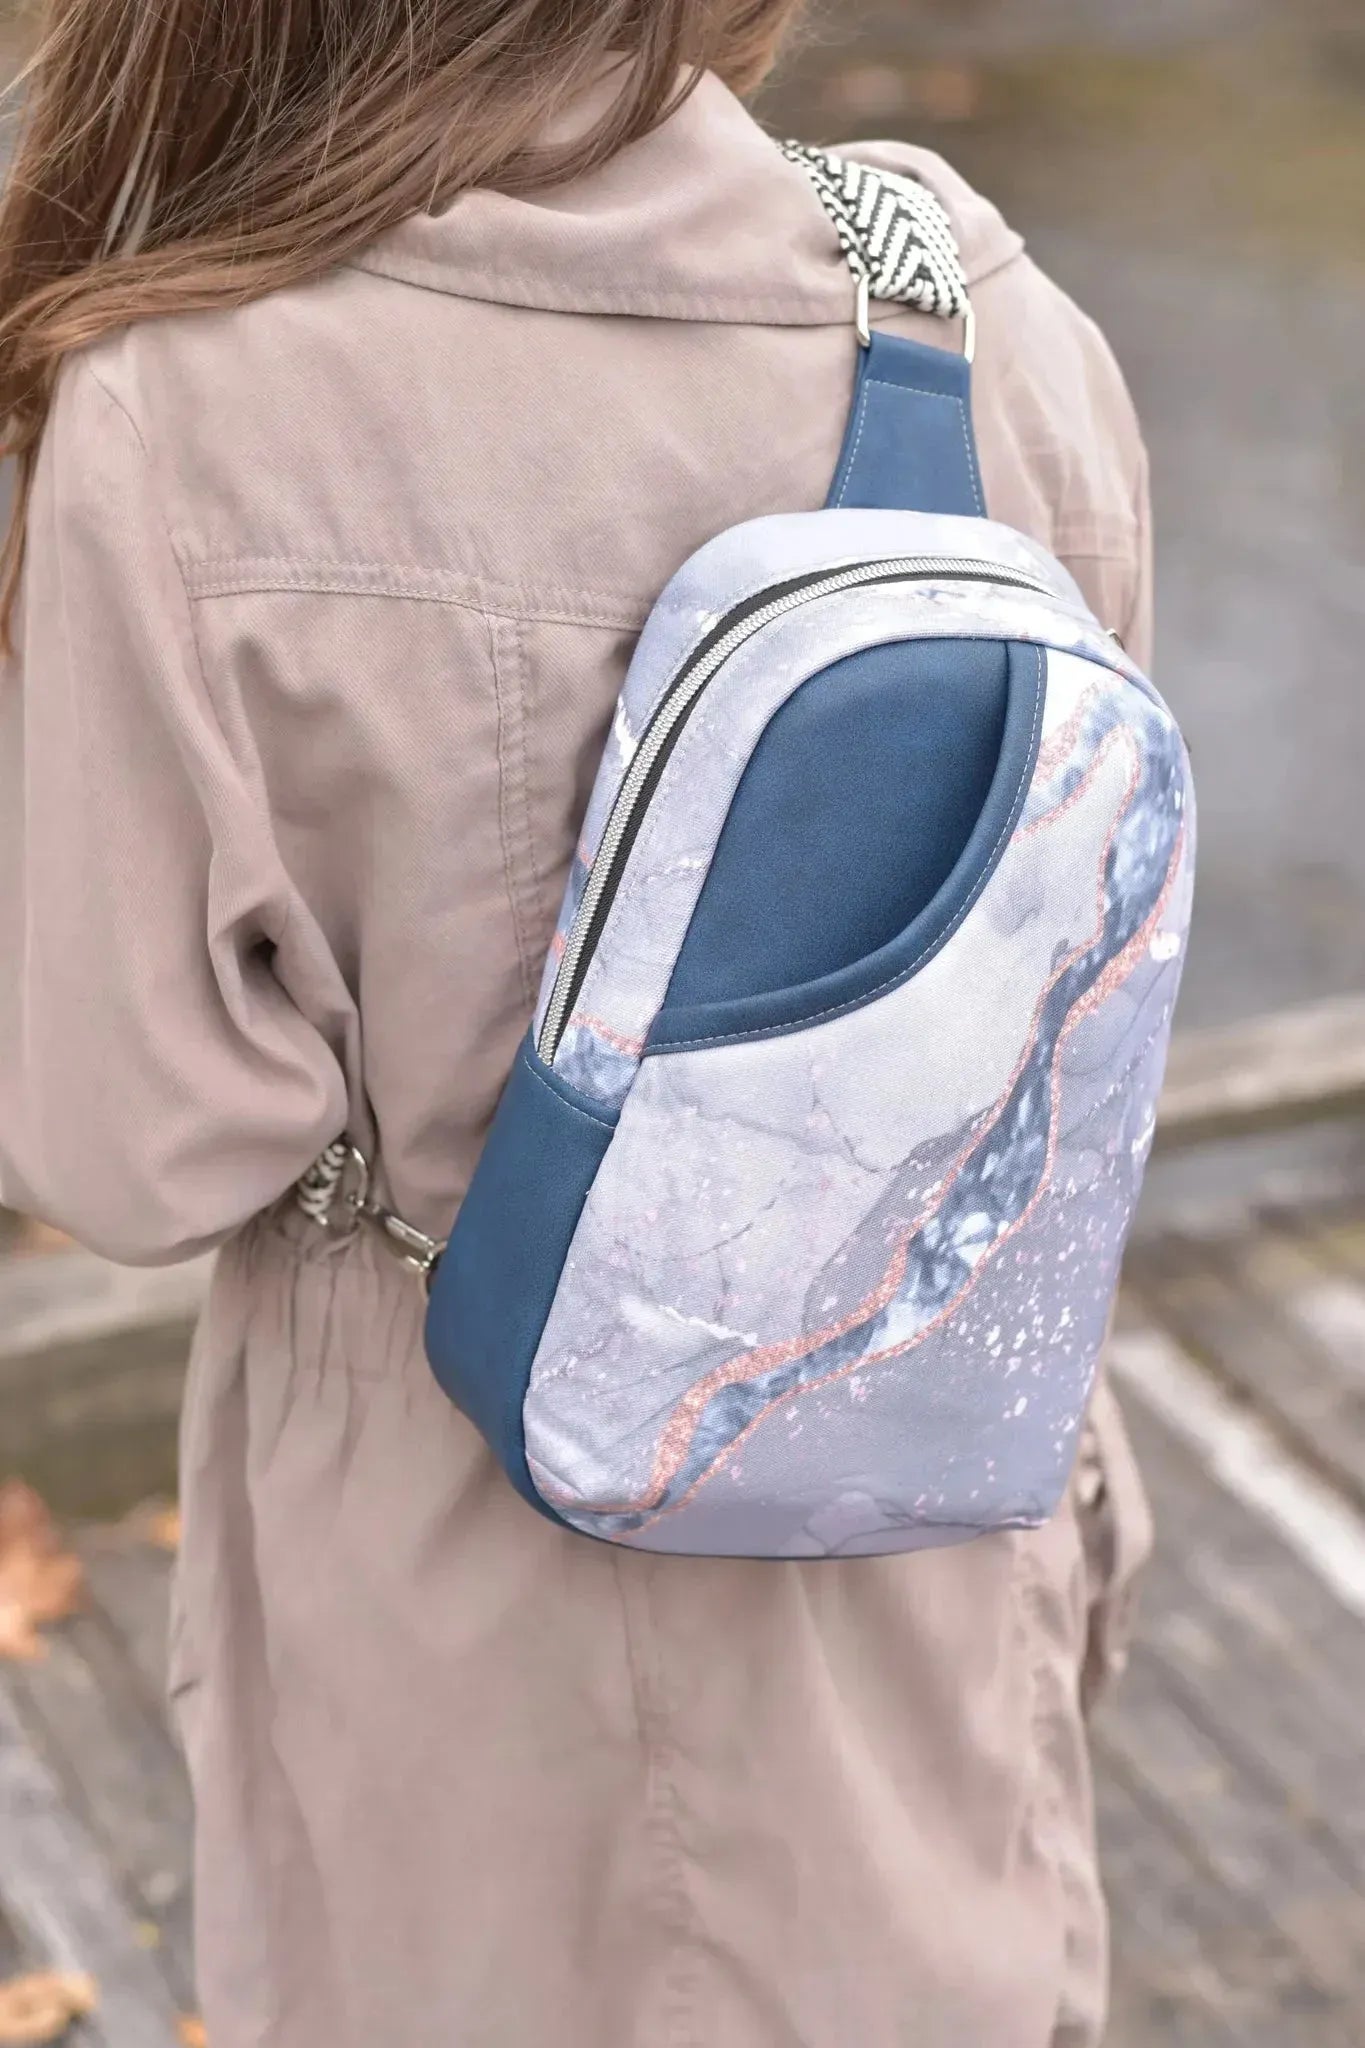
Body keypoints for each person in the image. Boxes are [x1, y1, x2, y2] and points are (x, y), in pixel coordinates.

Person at [0, 4, 1156, 2043]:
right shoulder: (966, 293)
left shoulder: (186, 407)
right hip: (930, 1450)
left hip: (471, 1544)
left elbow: (135, 1149)